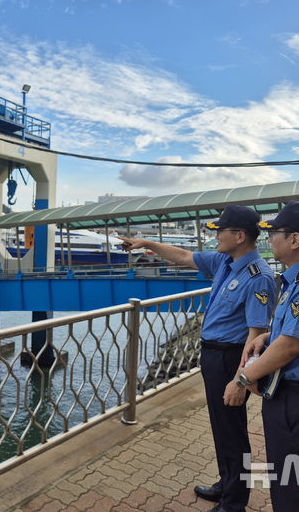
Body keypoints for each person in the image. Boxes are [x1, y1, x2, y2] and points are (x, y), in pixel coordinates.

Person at [120, 205, 276, 512]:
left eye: (220, 231)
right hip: (212, 354)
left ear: (240, 235)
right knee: (222, 426)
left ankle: (234, 502)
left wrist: (241, 378)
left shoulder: (259, 277)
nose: (215, 236)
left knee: (232, 430)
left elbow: (255, 335)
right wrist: (147, 244)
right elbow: (181, 256)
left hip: (231, 357)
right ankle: (227, 482)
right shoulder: (224, 261)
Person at [225, 201, 299, 512]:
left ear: (294, 240)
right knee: (297, 488)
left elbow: (292, 346)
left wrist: (242, 379)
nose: (270, 240)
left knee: (291, 494)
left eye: (274, 233)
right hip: (298, 400)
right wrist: (267, 336)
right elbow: (295, 333)